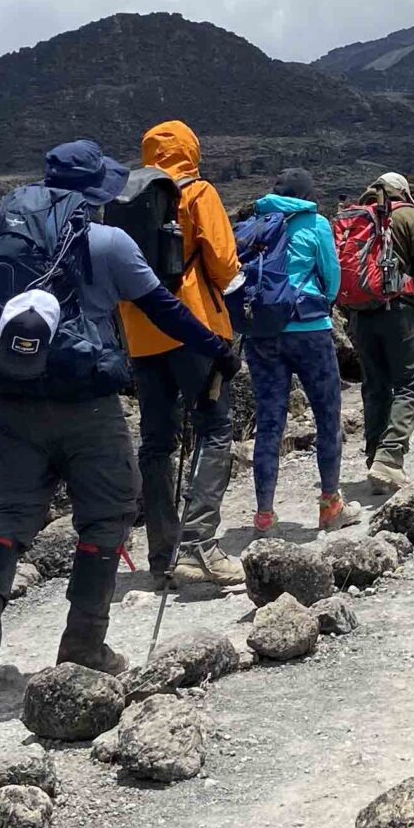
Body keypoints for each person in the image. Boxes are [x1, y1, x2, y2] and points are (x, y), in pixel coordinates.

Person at [0, 140, 234, 706]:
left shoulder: (1, 236)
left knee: (7, 516)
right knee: (107, 514)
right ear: (98, 189)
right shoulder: (107, 242)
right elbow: (164, 308)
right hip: (88, 404)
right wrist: (218, 347)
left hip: (13, 399)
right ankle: (83, 644)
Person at [120, 120, 246, 590]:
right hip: (193, 327)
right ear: (191, 149)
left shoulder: (125, 199)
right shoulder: (197, 192)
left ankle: (161, 554)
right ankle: (198, 545)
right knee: (215, 429)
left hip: (139, 335)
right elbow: (223, 263)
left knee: (155, 443)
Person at [239, 168, 355, 532]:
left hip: (262, 333)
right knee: (327, 417)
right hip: (309, 331)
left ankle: (263, 515)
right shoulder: (316, 223)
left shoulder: (256, 222)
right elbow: (332, 275)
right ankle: (330, 505)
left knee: (269, 421)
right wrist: (324, 304)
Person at [336, 171, 414, 490]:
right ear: (403, 192)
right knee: (410, 384)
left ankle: (374, 456)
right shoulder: (409, 216)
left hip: (361, 314)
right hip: (399, 311)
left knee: (375, 386)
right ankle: (390, 456)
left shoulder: (353, 219)